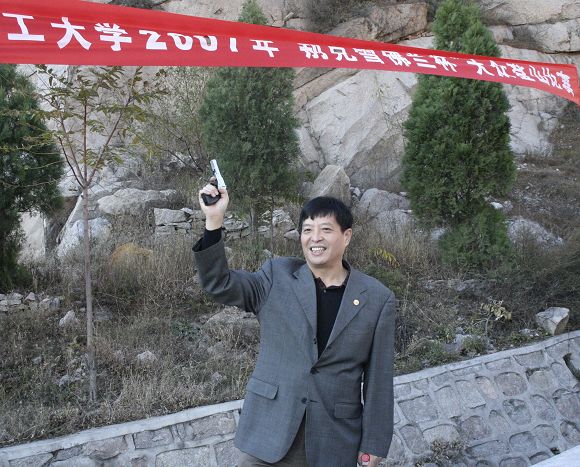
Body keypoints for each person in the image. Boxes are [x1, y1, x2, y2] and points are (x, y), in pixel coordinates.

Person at [193, 181, 396, 467]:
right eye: (308, 230)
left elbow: (379, 380)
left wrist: (373, 444)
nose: (315, 238)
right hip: (270, 434)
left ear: (346, 236)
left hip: (334, 440)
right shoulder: (276, 277)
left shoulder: (377, 298)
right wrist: (214, 221)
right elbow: (220, 283)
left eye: (326, 229)